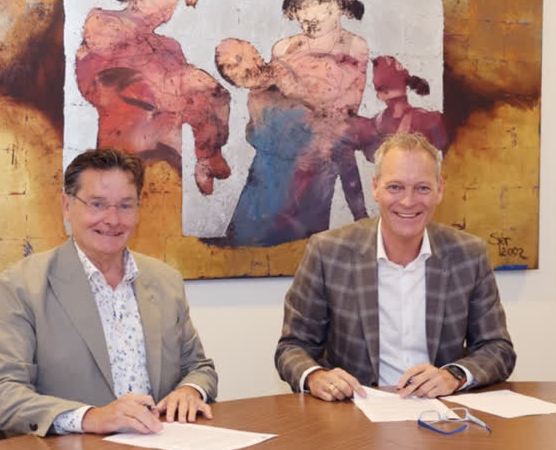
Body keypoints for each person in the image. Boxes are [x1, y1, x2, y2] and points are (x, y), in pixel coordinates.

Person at [275, 133, 516, 401]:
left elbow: (498, 348)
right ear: (375, 187)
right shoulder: (327, 252)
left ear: (439, 190)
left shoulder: (469, 255)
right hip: (355, 413)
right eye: (395, 187)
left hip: (440, 415)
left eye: (422, 188)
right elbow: (292, 347)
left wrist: (454, 375)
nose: (408, 201)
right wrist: (316, 377)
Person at [0, 149, 218, 437]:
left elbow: (199, 367)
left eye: (125, 206)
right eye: (97, 204)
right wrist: (89, 417)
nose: (113, 220)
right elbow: (6, 391)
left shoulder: (166, 281)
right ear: (67, 206)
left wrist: (190, 390)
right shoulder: (21, 286)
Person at [212, 0, 369, 247]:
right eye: (299, 12)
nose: (306, 19)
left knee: (297, 250)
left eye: (313, 8)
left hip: (312, 174)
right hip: (266, 178)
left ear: (336, 6)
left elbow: (342, 126)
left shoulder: (354, 48)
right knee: (247, 246)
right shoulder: (282, 52)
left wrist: (360, 213)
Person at [76, 0, 231, 195]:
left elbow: (195, 106)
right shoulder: (103, 23)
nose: (170, 8)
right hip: (123, 158)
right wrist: (176, 87)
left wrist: (208, 149)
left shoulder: (170, 47)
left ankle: (208, 158)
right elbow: (100, 85)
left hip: (167, 166)